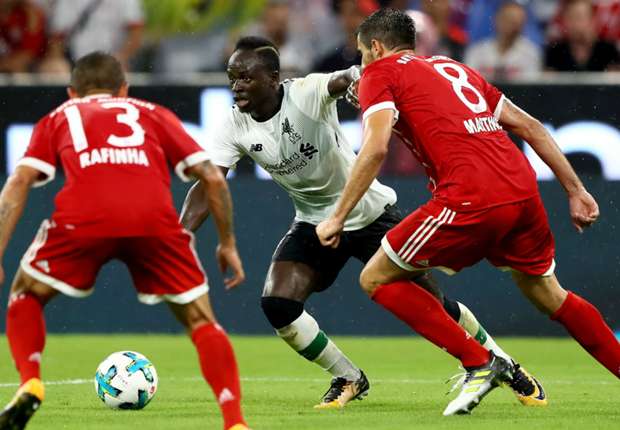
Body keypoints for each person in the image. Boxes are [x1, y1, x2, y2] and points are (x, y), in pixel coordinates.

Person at [181, 35, 547, 411]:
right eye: (232, 77)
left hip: (369, 213)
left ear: (274, 78)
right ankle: (348, 377)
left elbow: (343, 77)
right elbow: (210, 181)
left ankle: (505, 364)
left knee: (434, 303)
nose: (236, 85)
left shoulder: (305, 93)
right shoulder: (233, 124)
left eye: (245, 77)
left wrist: (360, 80)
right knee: (278, 303)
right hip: (313, 222)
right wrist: (181, 235)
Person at [316, 8, 620, 416]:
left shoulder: (379, 72)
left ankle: (480, 362)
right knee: (548, 294)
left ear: (376, 46)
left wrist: (337, 216)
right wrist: (575, 189)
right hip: (522, 187)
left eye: (362, 54)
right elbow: (530, 126)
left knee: (376, 277)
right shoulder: (450, 67)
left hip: (471, 195)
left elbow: (374, 147)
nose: (361, 63)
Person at [0, 52, 249, 430]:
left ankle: (31, 381)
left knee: (25, 293)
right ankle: (234, 422)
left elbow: (18, 183)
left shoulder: (59, 116)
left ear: (71, 93)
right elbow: (213, 178)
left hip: (84, 218)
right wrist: (227, 241)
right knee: (201, 321)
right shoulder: (152, 112)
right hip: (154, 221)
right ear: (124, 88)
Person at [464, 1, 542, 81]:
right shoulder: (477, 51)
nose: (512, 26)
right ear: (497, 20)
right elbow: (469, 83)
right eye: (508, 20)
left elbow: (530, 88)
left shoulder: (531, 53)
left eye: (517, 22)